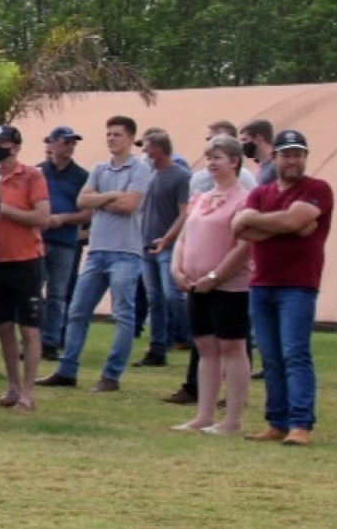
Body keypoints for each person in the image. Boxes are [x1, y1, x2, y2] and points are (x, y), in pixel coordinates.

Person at [232, 129, 333, 446]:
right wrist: (286, 223)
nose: (292, 160)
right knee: (271, 357)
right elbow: (238, 229)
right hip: (262, 284)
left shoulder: (317, 189)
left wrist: (257, 220)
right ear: (274, 157)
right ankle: (277, 421)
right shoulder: (261, 193)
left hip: (298, 285)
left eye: (298, 154)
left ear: (305, 158)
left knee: (295, 353)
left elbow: (285, 222)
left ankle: (301, 424)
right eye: (286, 154)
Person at [37, 116, 151, 394]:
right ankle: (67, 370)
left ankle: (111, 375)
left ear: (130, 138)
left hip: (125, 252)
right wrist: (110, 196)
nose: (111, 138)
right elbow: (82, 200)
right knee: (77, 310)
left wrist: (101, 199)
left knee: (123, 314)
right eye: (109, 133)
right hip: (98, 251)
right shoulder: (100, 168)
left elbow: (130, 204)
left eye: (117, 134)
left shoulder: (140, 168)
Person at [168, 134, 253, 435]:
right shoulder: (201, 197)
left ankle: (232, 419)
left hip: (230, 287)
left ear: (234, 161)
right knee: (205, 348)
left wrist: (216, 277)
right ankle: (203, 415)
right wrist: (176, 268)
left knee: (232, 346)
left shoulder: (245, 200)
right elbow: (184, 237)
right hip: (194, 285)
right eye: (209, 157)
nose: (212, 163)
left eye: (218, 157)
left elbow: (244, 247)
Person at [0, 125, 50, 411]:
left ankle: (28, 391)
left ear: (15, 146)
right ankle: (12, 386)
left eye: (2, 142)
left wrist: (4, 209)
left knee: (30, 328)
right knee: (3, 326)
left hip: (26, 259)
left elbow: (42, 217)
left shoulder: (32, 176)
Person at [134, 129, 193, 367]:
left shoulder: (180, 176)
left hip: (167, 246)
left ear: (158, 150)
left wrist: (168, 239)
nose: (143, 153)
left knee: (173, 295)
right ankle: (157, 349)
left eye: (146, 148)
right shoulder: (148, 176)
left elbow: (185, 213)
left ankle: (196, 333)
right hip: (147, 245)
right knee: (154, 299)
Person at [37, 125, 90, 360]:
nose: (70, 146)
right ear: (53, 143)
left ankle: (50, 341)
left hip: (65, 242)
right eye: (66, 142)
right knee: (33, 291)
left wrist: (64, 219)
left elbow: (88, 214)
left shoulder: (81, 176)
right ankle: (32, 337)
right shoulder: (37, 172)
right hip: (37, 240)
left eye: (73, 143)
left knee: (58, 293)